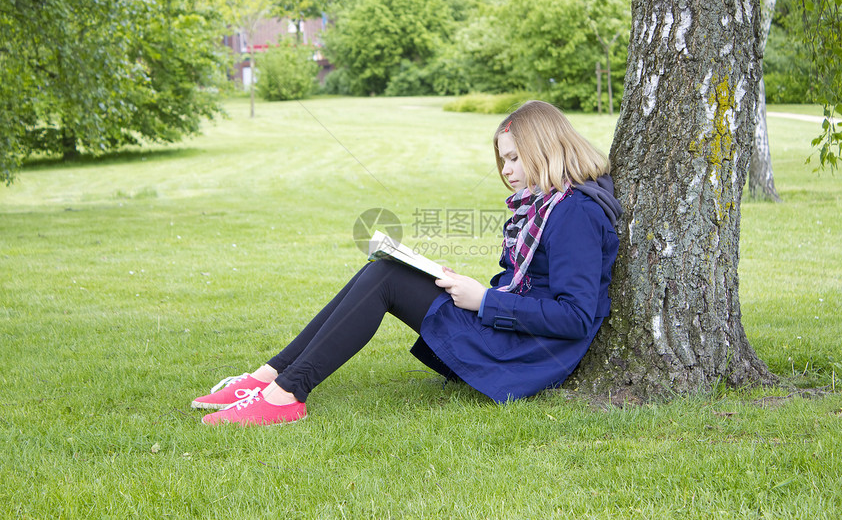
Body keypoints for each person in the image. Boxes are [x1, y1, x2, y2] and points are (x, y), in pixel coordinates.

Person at [192, 100, 622, 426]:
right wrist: (467, 287)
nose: (506, 171)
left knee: (387, 275)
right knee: (387, 266)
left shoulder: (575, 212)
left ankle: (286, 395)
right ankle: (270, 376)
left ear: (544, 148)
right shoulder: (545, 205)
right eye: (503, 160)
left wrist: (485, 301)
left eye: (513, 158)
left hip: (526, 356)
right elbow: (526, 282)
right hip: (512, 334)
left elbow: (577, 317)